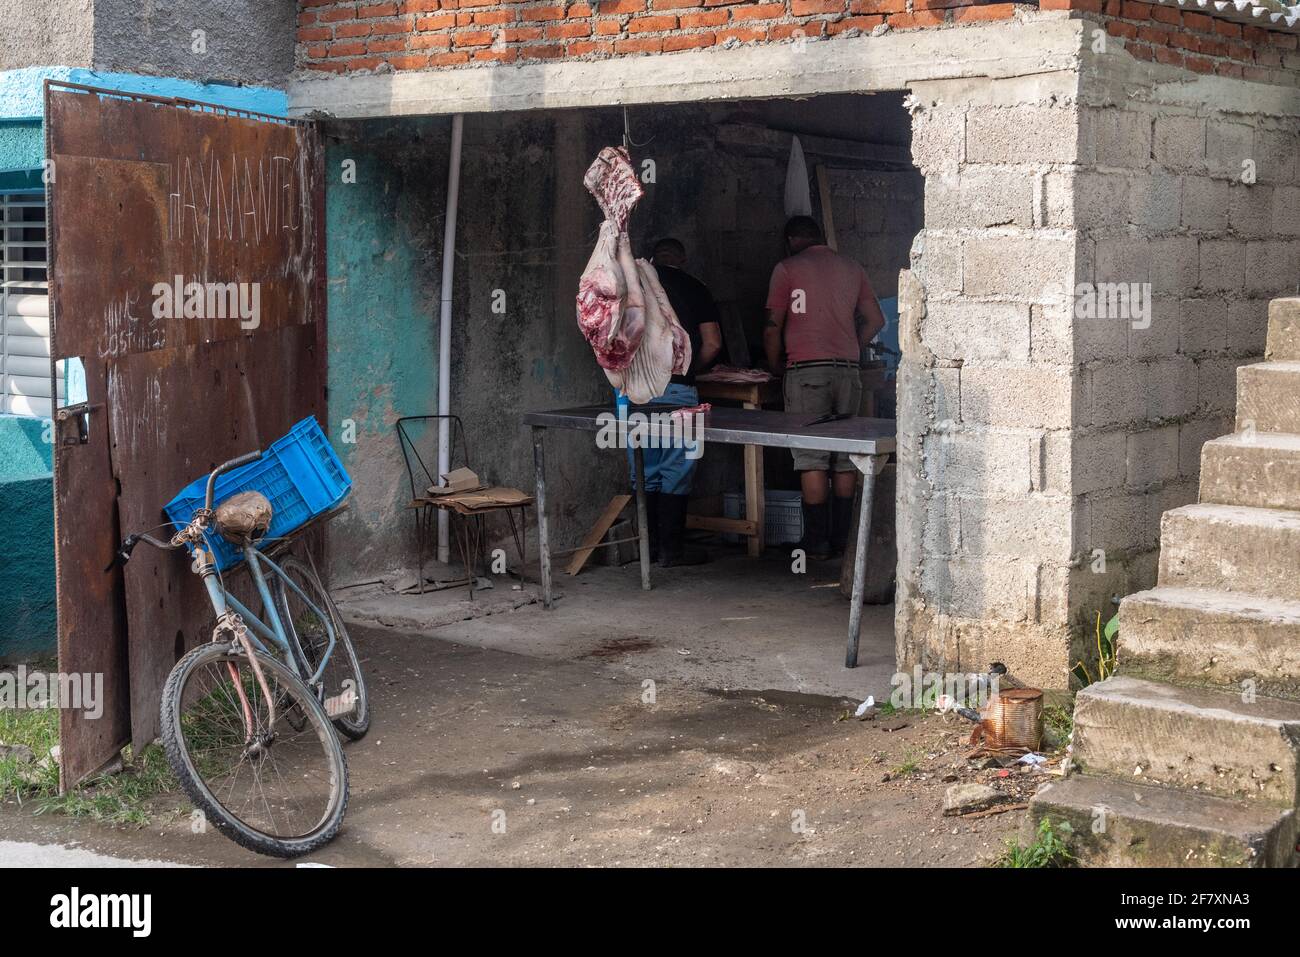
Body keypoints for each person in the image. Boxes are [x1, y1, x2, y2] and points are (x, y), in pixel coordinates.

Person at [763, 216, 886, 560]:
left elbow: (773, 326)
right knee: (846, 456)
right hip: (848, 372)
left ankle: (815, 543)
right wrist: (853, 347)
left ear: (790, 240)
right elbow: (877, 319)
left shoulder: (786, 269)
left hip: (806, 371)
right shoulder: (852, 267)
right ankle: (844, 542)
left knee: (811, 456)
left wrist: (775, 366)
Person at [624, 237, 722, 567]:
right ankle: (671, 552)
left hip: (636, 393)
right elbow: (712, 343)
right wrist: (690, 369)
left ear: (651, 258)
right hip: (678, 390)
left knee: (644, 470)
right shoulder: (696, 287)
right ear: (682, 258)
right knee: (676, 470)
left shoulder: (631, 287)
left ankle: (647, 550)